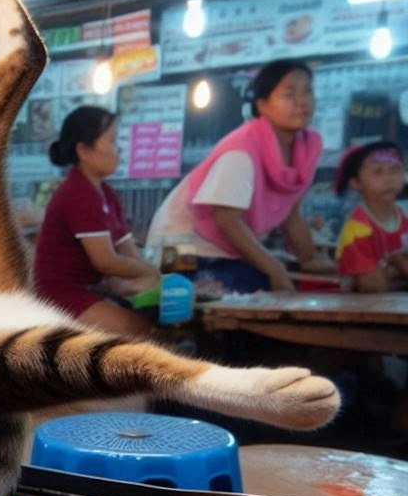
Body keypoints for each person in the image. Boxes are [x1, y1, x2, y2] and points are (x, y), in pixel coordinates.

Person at [146, 58, 335, 294]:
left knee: (297, 281)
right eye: (289, 94)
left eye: (307, 91)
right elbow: (227, 220)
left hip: (223, 252)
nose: (301, 102)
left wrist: (311, 261)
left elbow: (292, 216)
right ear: (263, 105)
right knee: (251, 288)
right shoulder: (242, 150)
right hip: (175, 247)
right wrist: (275, 269)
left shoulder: (305, 150)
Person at [32, 105, 160, 336]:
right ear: (84, 150)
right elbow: (106, 262)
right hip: (61, 297)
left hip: (93, 292)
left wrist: (153, 277)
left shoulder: (107, 195)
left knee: (159, 326)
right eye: (111, 142)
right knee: (142, 334)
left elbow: (129, 257)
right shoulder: (77, 192)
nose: (118, 150)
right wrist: (154, 274)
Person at [334, 140, 408, 292]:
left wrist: (395, 269)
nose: (389, 178)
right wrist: (400, 264)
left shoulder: (405, 216)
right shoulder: (358, 228)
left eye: (395, 169)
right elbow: (374, 287)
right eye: (378, 172)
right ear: (356, 183)